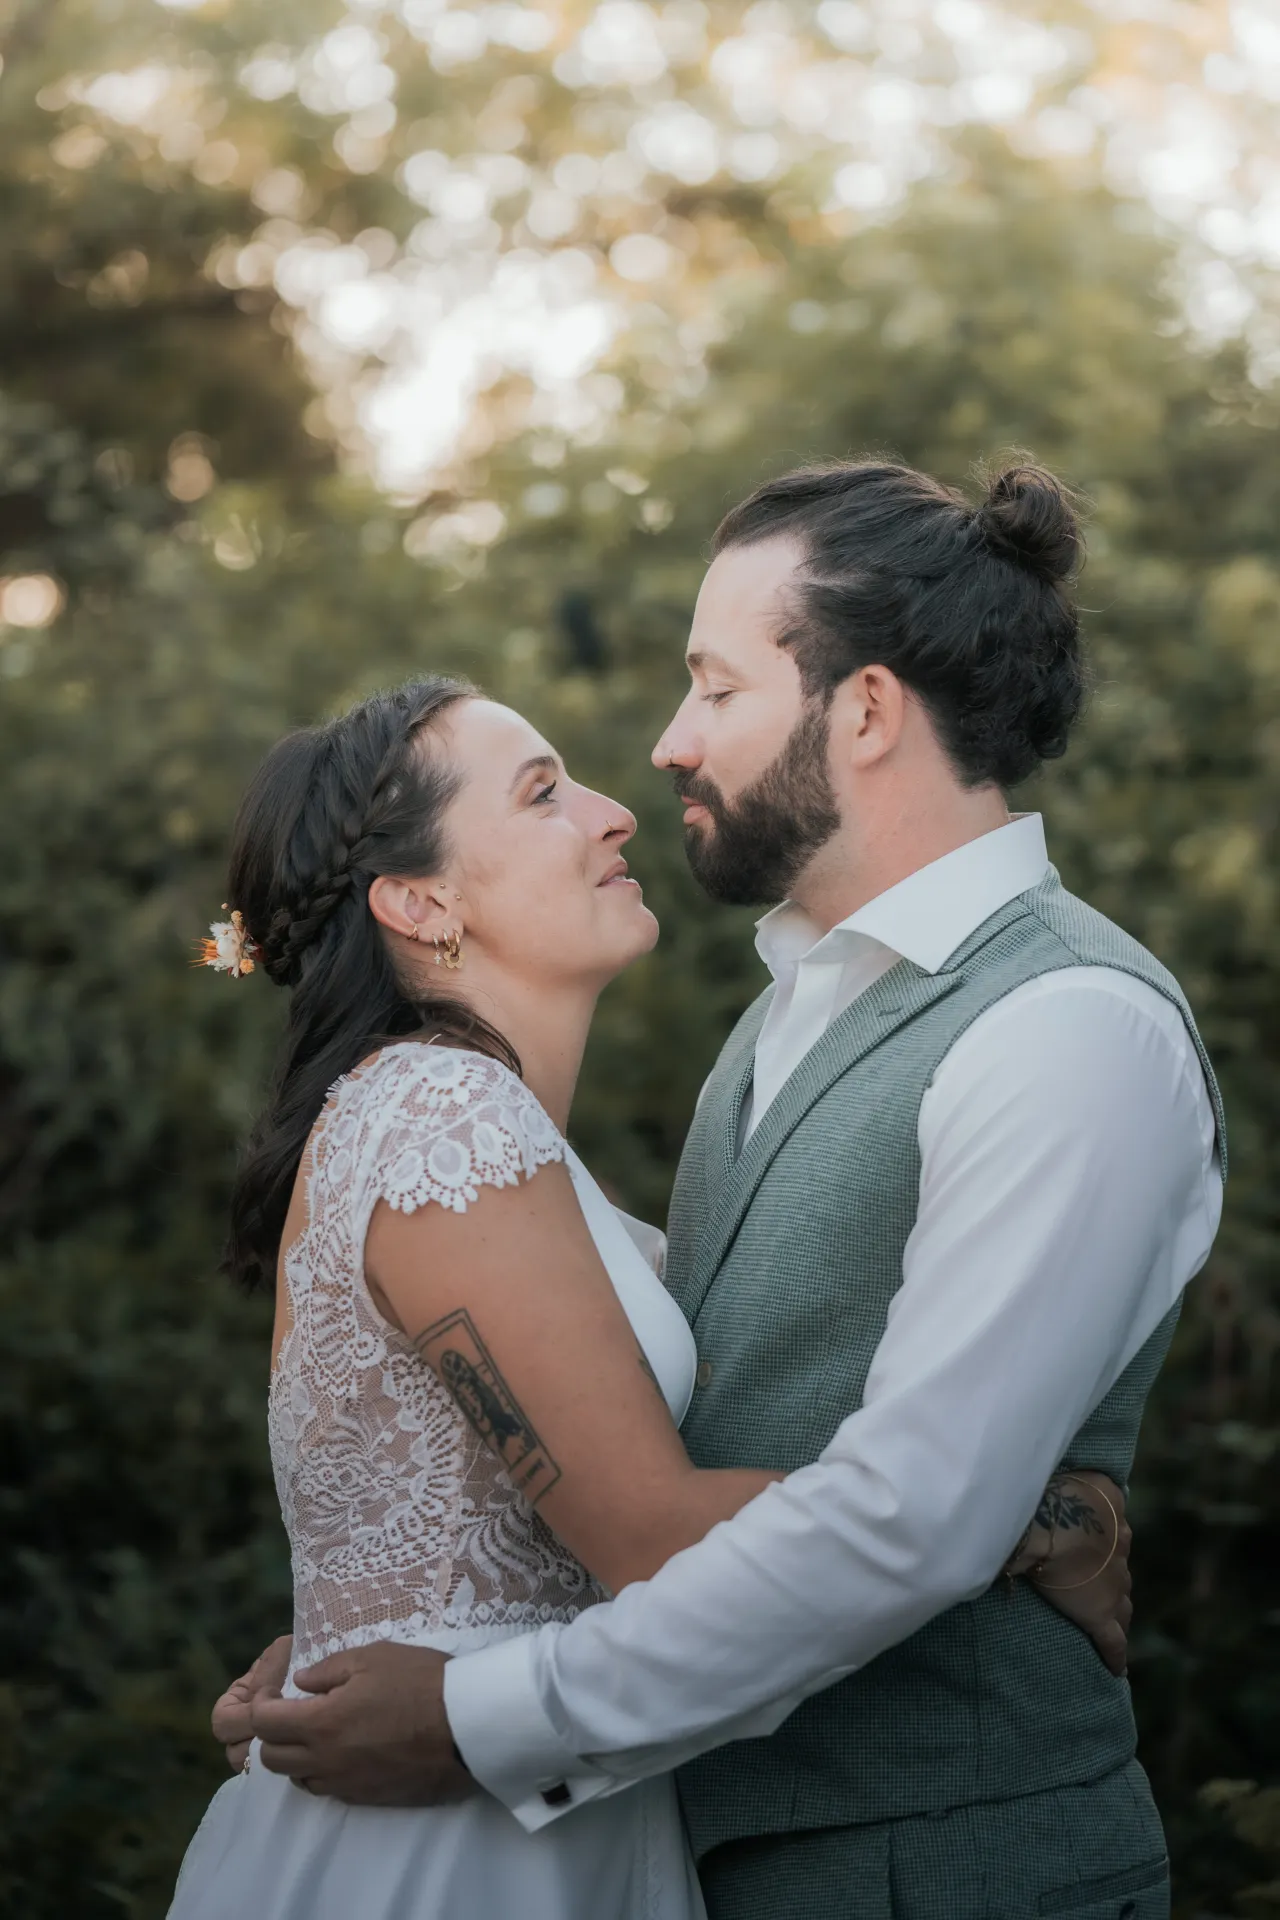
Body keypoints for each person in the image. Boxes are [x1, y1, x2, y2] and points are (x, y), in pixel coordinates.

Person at [222, 460, 1225, 1920]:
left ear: (864, 711)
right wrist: (1033, 1523)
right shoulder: (768, 1030)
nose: (667, 747)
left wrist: (471, 1705)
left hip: (945, 1864)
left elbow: (911, 1512)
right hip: (655, 1846)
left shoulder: (1067, 1025)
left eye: (717, 687)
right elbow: (693, 1484)